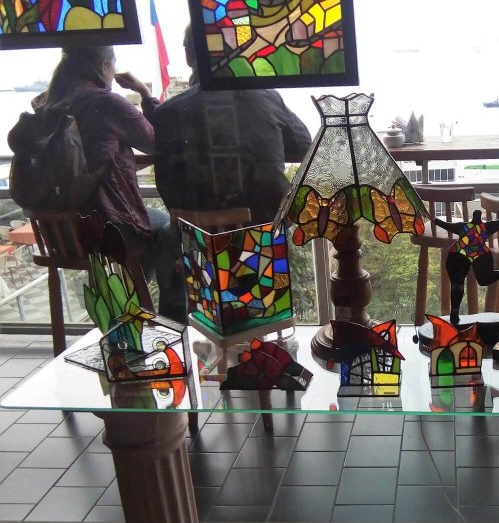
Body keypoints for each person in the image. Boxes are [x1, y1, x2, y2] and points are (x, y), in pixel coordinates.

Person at [33, 47, 187, 321]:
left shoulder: (47, 104)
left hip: (60, 234)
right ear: (105, 66)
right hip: (103, 229)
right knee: (168, 231)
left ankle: (126, 310)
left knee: (150, 232)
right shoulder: (106, 103)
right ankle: (167, 321)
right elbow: (157, 142)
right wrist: (145, 93)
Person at [147, 26, 313, 225]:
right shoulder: (266, 97)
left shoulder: (166, 112)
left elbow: (166, 184)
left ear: (189, 57)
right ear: (236, 54)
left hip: (195, 238)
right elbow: (304, 145)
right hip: (266, 234)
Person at [434, 208, 499, 324]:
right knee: (457, 284)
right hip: (461, 252)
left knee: (482, 280)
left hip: (474, 253)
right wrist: (437, 221)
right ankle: (454, 313)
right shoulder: (480, 227)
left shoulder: (470, 227)